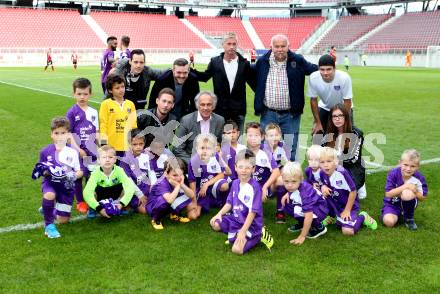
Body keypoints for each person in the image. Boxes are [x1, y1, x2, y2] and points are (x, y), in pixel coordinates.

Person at [254, 34, 317, 161]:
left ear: (289, 46)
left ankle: (291, 176)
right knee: (267, 147)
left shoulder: (298, 60)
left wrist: (329, 64)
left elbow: (314, 69)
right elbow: (252, 76)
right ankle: (269, 175)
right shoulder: (262, 62)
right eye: (276, 46)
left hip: (290, 115)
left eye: (283, 46)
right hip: (268, 113)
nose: (280, 49)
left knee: (291, 147)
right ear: (270, 47)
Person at [210, 149, 274, 254]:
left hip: (251, 224)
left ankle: (258, 235)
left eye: (247, 167)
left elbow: (252, 212)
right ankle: (237, 232)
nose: (243, 170)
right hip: (236, 219)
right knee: (215, 223)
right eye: (240, 167)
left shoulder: (255, 188)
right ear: (235, 167)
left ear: (253, 169)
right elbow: (229, 203)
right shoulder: (235, 183)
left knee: (237, 250)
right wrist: (218, 214)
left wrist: (243, 232)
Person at [193, 32, 255, 133]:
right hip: (220, 109)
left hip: (239, 110)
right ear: (223, 45)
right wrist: (189, 71)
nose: (231, 47)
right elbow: (204, 77)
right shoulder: (215, 62)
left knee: (237, 143)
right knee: (219, 141)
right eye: (229, 44)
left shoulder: (244, 64)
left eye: (234, 44)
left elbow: (253, 84)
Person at [32, 117, 83, 238]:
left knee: (63, 220)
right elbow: (42, 169)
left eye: (63, 133)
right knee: (49, 195)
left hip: (66, 187)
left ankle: (47, 209)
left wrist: (73, 176)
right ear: (51, 135)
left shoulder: (73, 152)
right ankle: (49, 226)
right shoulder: (45, 151)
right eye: (56, 133)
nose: (60, 136)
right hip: (51, 183)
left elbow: (80, 171)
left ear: (68, 134)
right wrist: (47, 171)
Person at [319, 147, 377, 236]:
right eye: (322, 162)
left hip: (349, 206)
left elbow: (353, 192)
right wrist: (323, 186)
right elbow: (321, 182)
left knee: (347, 231)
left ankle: (363, 217)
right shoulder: (322, 172)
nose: (325, 165)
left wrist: (347, 210)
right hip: (335, 204)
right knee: (323, 194)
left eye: (329, 161)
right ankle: (332, 216)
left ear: (336, 162)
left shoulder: (342, 173)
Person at [66, 78, 99, 214]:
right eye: (79, 94)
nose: (82, 97)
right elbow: (68, 134)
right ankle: (80, 201)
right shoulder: (71, 112)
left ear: (90, 94)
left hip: (91, 152)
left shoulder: (93, 112)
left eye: (85, 94)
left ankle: (90, 199)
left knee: (91, 176)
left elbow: (97, 131)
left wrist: (100, 148)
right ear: (74, 94)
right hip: (78, 152)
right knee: (79, 176)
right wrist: (77, 149)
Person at [324, 103, 367, 199]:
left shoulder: (356, 133)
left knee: (343, 196)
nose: (337, 119)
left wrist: (333, 162)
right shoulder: (328, 134)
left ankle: (360, 185)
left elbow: (353, 159)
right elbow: (321, 154)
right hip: (333, 168)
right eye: (334, 116)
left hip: (351, 169)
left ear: (346, 117)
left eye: (340, 115)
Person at [83, 145, 138, 219]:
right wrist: (98, 208)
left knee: (126, 188)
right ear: (98, 160)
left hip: (115, 194)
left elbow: (130, 187)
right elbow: (87, 193)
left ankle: (120, 206)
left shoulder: (119, 170)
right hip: (100, 196)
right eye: (104, 157)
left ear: (115, 159)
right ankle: (92, 209)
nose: (107, 160)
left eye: (110, 157)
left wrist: (122, 203)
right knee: (91, 191)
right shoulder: (95, 173)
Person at [280, 161, 328, 244]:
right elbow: (292, 189)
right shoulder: (295, 186)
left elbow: (308, 215)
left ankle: (319, 227)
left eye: (293, 181)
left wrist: (302, 236)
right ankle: (302, 223)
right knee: (287, 204)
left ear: (301, 179)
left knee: (299, 210)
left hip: (320, 208)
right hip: (311, 205)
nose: (290, 185)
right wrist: (287, 193)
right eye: (286, 181)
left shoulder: (305, 193)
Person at [173, 91, 225, 164]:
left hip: (213, 162)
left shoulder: (220, 120)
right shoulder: (186, 120)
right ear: (197, 106)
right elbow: (177, 148)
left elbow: (222, 143)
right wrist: (193, 162)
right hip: (191, 161)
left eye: (209, 104)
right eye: (202, 104)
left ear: (213, 106)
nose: (205, 108)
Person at [381, 149, 428, 230]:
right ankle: (399, 214)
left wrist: (414, 191)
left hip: (410, 200)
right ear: (400, 163)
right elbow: (388, 194)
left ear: (417, 167)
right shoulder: (393, 173)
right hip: (392, 204)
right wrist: (406, 186)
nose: (408, 169)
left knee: (407, 193)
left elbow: (423, 198)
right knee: (389, 222)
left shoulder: (419, 178)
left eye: (412, 166)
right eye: (405, 165)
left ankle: (409, 219)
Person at [308, 54, 353, 135]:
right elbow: (313, 100)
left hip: (343, 109)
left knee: (344, 138)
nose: (325, 73)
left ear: (334, 68)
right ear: (318, 69)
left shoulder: (344, 78)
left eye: (329, 69)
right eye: (322, 69)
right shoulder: (313, 78)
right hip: (325, 107)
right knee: (318, 136)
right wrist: (317, 122)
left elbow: (347, 101)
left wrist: (344, 121)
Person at [148, 158, 197, 229]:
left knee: (186, 195)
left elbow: (192, 195)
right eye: (175, 175)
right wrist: (178, 186)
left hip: (168, 200)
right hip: (154, 206)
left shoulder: (179, 179)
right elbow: (169, 200)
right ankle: (156, 219)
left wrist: (182, 185)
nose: (178, 178)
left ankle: (174, 214)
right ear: (166, 174)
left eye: (180, 174)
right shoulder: (161, 183)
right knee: (164, 201)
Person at [188, 133, 229, 217]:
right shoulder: (193, 162)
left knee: (224, 185)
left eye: (208, 148)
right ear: (197, 148)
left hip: (212, 185)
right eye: (202, 148)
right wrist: (194, 201)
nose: (205, 151)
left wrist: (206, 184)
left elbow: (221, 175)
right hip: (200, 190)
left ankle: (222, 202)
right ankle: (207, 202)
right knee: (193, 216)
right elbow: (192, 182)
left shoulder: (216, 157)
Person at [99, 74, 137, 157]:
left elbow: (133, 127)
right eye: (117, 88)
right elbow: (103, 125)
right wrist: (104, 144)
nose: (121, 90)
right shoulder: (105, 104)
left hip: (127, 147)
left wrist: (133, 144)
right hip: (111, 147)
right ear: (110, 90)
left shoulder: (130, 104)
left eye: (122, 86)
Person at [245, 122, 280, 203]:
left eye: (256, 135)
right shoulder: (242, 151)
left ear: (262, 137)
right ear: (246, 136)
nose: (253, 138)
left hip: (261, 185)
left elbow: (276, 172)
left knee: (281, 180)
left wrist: (265, 187)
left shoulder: (266, 152)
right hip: (246, 184)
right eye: (250, 135)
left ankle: (281, 207)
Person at [118, 129, 150, 214]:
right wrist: (140, 195)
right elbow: (128, 181)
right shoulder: (125, 160)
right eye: (135, 144)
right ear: (129, 144)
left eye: (141, 144)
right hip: (135, 192)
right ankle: (127, 203)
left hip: (147, 189)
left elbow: (151, 174)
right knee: (145, 210)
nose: (138, 147)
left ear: (144, 143)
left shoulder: (147, 155)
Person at [264, 123, 290, 224]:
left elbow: (286, 164)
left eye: (276, 135)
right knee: (280, 181)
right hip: (264, 179)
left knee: (283, 181)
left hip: (276, 177)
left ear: (280, 135)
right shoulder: (262, 149)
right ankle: (271, 193)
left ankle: (280, 211)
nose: (274, 138)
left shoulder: (282, 147)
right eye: (271, 135)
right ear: (266, 137)